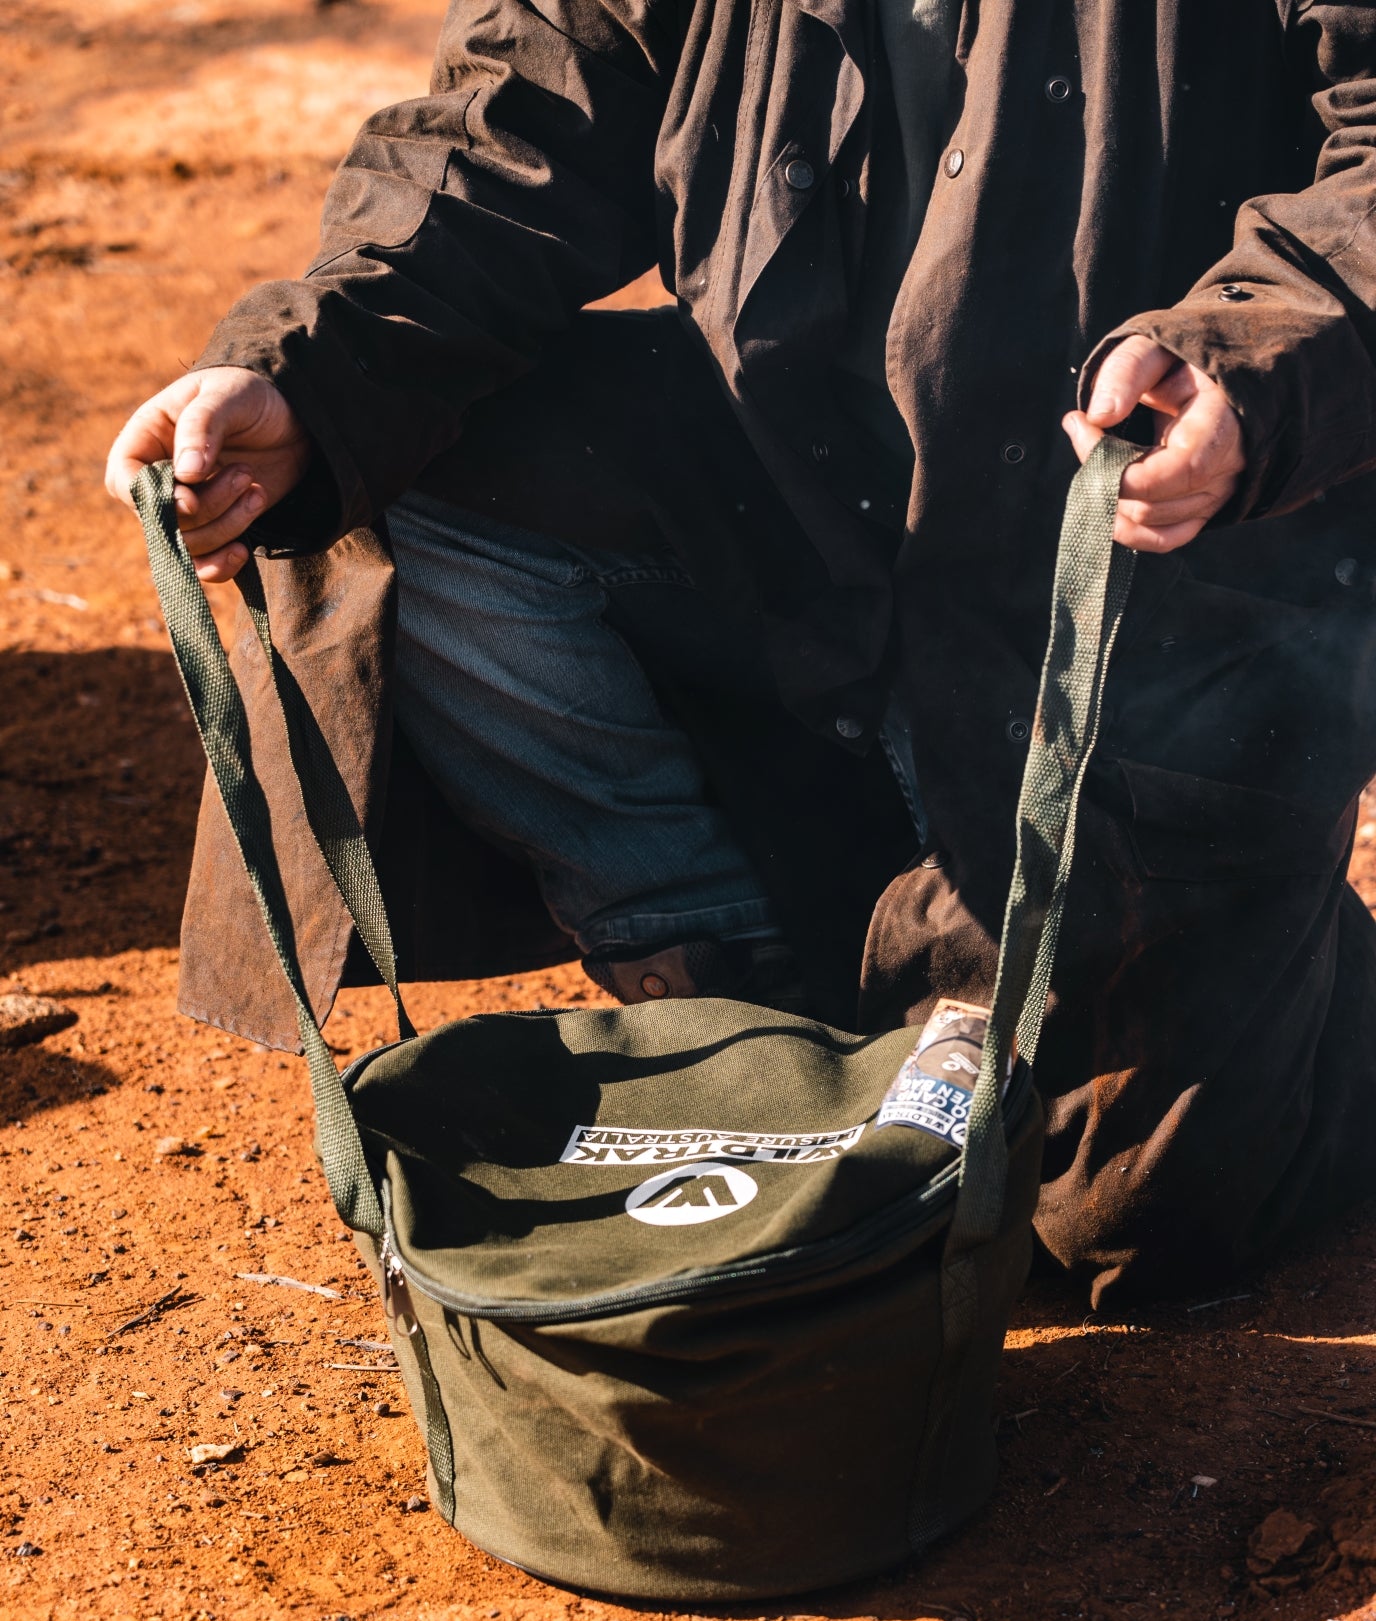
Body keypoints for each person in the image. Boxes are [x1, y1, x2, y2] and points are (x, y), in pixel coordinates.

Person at [107, 1, 1376, 1308]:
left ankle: (1273, 982)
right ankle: (727, 996)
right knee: (389, 462)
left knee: (1093, 1228)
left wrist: (1262, 355)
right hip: (807, 521)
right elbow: (518, 114)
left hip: (1145, 585)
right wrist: (312, 367)